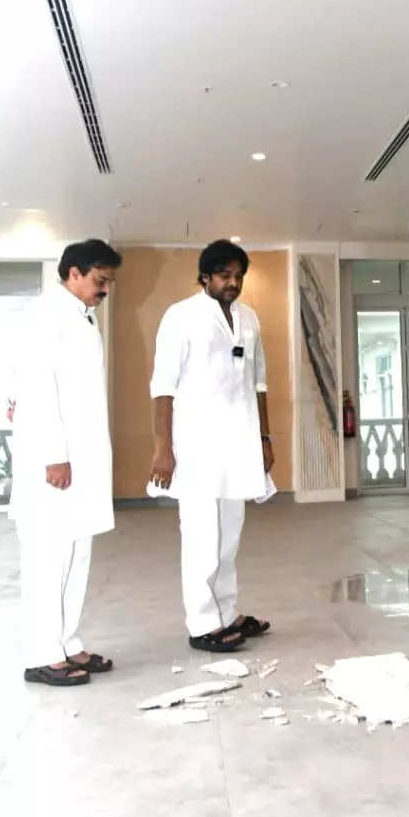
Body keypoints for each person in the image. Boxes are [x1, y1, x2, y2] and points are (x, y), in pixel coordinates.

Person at [149, 240, 274, 653]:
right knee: (201, 536)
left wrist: (265, 439)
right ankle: (203, 624)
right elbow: (162, 387)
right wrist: (162, 448)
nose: (233, 283)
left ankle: (226, 611)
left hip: (239, 444)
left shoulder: (249, 318)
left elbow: (259, 383)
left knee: (229, 535)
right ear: (204, 276)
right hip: (196, 445)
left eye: (238, 276)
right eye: (224, 275)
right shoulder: (181, 316)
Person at [9, 239, 123, 687]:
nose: (105, 289)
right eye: (100, 280)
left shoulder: (80, 316)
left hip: (82, 461)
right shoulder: (44, 314)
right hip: (54, 464)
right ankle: (43, 654)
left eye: (108, 281)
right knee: (48, 557)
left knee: (76, 554)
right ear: (73, 273)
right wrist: (54, 455)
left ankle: (66, 642)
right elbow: (36, 389)